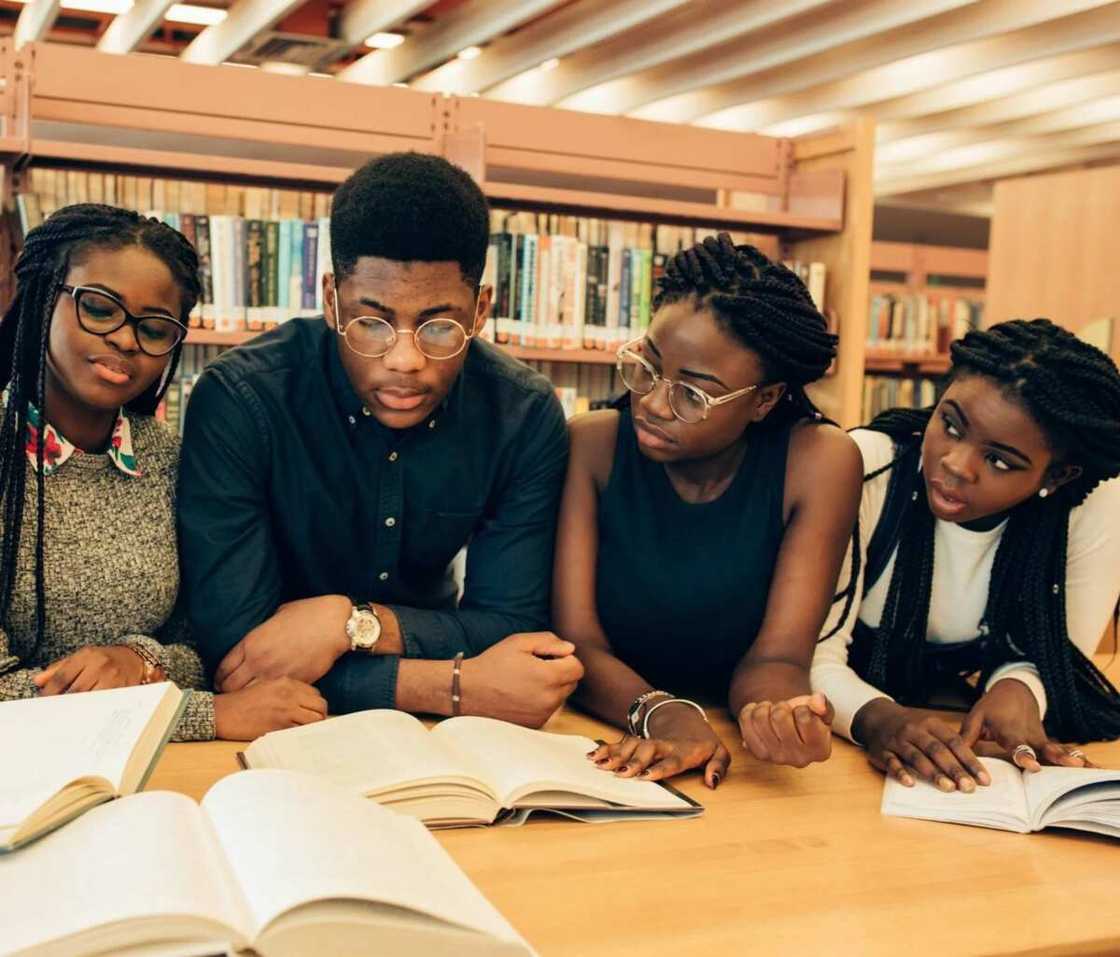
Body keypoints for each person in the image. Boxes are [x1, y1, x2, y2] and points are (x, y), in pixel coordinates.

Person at [178, 153, 582, 725]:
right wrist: (451, 686)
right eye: (372, 322)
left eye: (440, 326)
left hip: (437, 736)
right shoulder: (241, 400)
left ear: (482, 309)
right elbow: (239, 656)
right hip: (278, 724)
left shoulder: (523, 412)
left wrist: (348, 624)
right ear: (331, 298)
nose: (405, 361)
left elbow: (511, 624)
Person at [0, 203, 326, 741]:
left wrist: (139, 659)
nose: (127, 340)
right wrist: (204, 715)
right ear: (41, 297)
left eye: (154, 328)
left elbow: (203, 647)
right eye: (101, 310)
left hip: (153, 771)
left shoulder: (168, 459)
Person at [552, 233, 862, 787]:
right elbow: (578, 641)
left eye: (692, 395)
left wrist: (777, 715)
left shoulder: (820, 462)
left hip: (724, 738)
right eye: (647, 367)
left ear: (764, 400)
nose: (649, 402)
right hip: (601, 724)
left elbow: (778, 658)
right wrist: (662, 712)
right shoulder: (592, 447)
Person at [813, 319, 1120, 792]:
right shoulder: (865, 466)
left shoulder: (1091, 508)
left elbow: (1060, 657)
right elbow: (805, 653)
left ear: (1056, 478)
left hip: (953, 754)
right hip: (832, 755)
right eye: (950, 424)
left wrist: (1018, 689)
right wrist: (880, 721)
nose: (956, 464)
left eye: (999, 461)